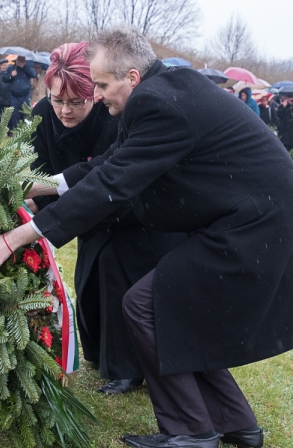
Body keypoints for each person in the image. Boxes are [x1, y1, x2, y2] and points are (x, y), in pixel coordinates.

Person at [0, 27, 293, 448]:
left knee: (146, 304)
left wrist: (16, 238)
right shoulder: (165, 91)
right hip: (258, 219)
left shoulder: (158, 105)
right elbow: (106, 165)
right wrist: (29, 185)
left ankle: (191, 432)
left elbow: (113, 185)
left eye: (101, 85)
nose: (97, 96)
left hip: (259, 226)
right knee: (173, 305)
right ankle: (236, 422)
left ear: (132, 78)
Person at [27, 42, 186, 395]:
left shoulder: (115, 117)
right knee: (89, 285)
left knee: (120, 280)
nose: (64, 111)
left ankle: (128, 368)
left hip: (132, 212)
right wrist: (30, 210)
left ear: (94, 96)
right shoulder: (43, 116)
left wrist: (54, 213)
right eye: (57, 100)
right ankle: (101, 355)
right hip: (81, 211)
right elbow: (38, 176)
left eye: (75, 102)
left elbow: (113, 178)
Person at [3, 55, 36, 130]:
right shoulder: (11, 68)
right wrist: (11, 75)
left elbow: (33, 74)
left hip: (25, 95)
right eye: (20, 60)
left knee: (26, 114)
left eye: (23, 60)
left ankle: (26, 130)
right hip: (14, 96)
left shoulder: (27, 68)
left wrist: (24, 67)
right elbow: (4, 79)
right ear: (17, 60)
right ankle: (16, 130)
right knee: (15, 114)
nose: (21, 61)